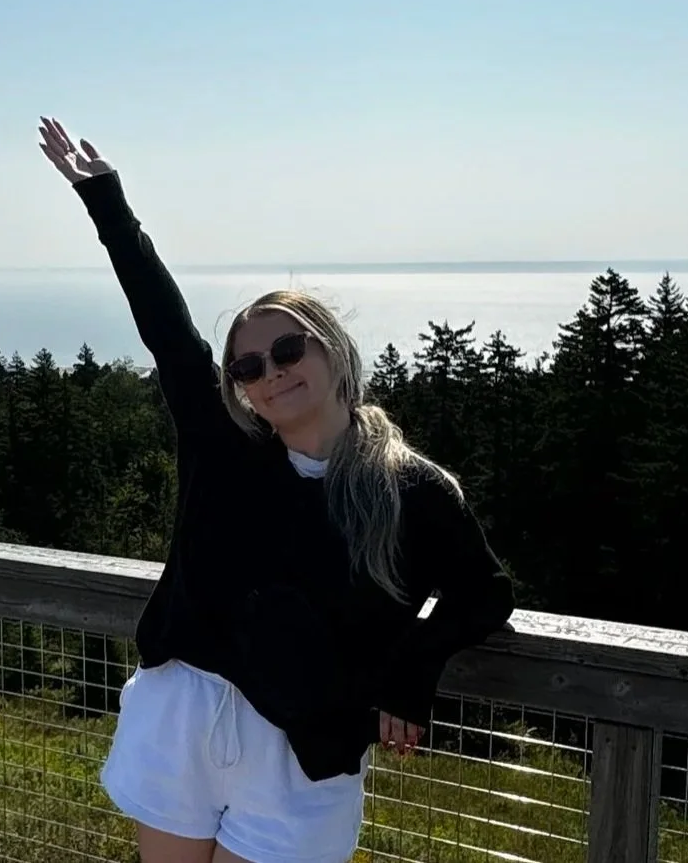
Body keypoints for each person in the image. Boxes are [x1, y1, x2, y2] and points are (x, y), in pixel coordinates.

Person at [38, 117, 515, 863]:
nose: (270, 372)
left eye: (287, 349)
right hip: (183, 715)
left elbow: (483, 593)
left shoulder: (411, 489)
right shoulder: (224, 452)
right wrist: (106, 201)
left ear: (332, 352)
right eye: (249, 366)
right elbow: (170, 335)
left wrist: (412, 673)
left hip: (306, 751)